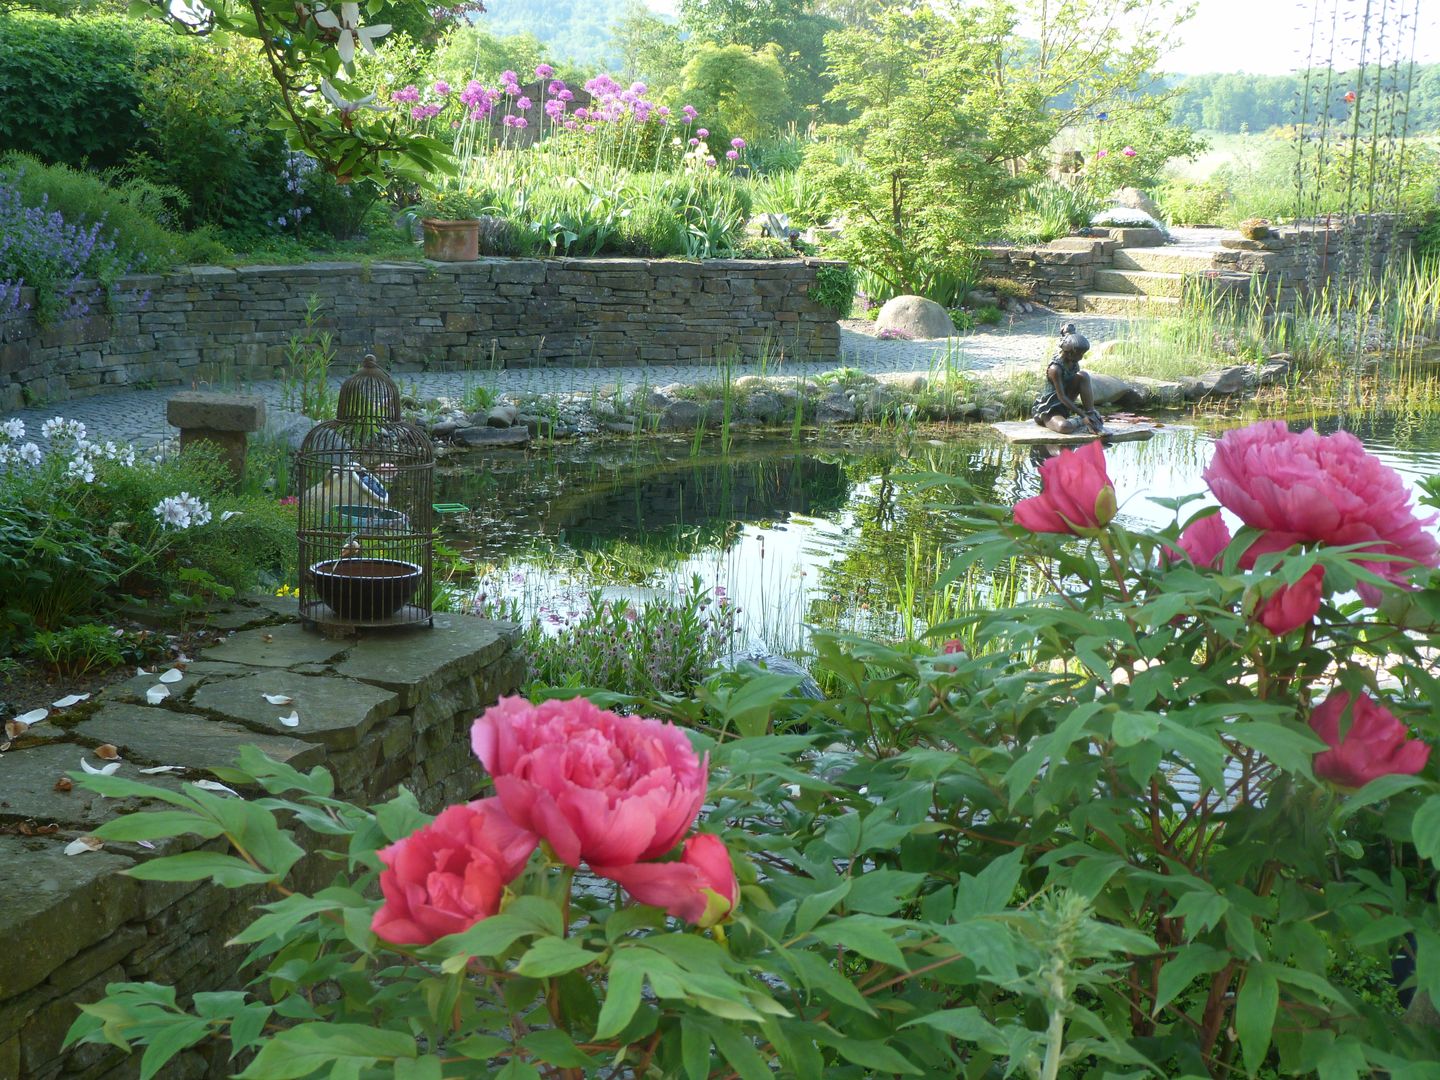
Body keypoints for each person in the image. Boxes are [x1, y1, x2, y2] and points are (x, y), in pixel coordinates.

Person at [1032, 323, 1104, 434]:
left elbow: (1077, 383)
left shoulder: (1073, 363)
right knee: (1064, 427)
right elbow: (1061, 397)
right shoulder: (1055, 369)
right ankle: (1083, 421)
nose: (1081, 358)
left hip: (1065, 405)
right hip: (1051, 409)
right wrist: (1082, 415)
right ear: (1069, 353)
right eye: (1079, 354)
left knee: (1083, 375)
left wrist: (1088, 412)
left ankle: (1091, 414)